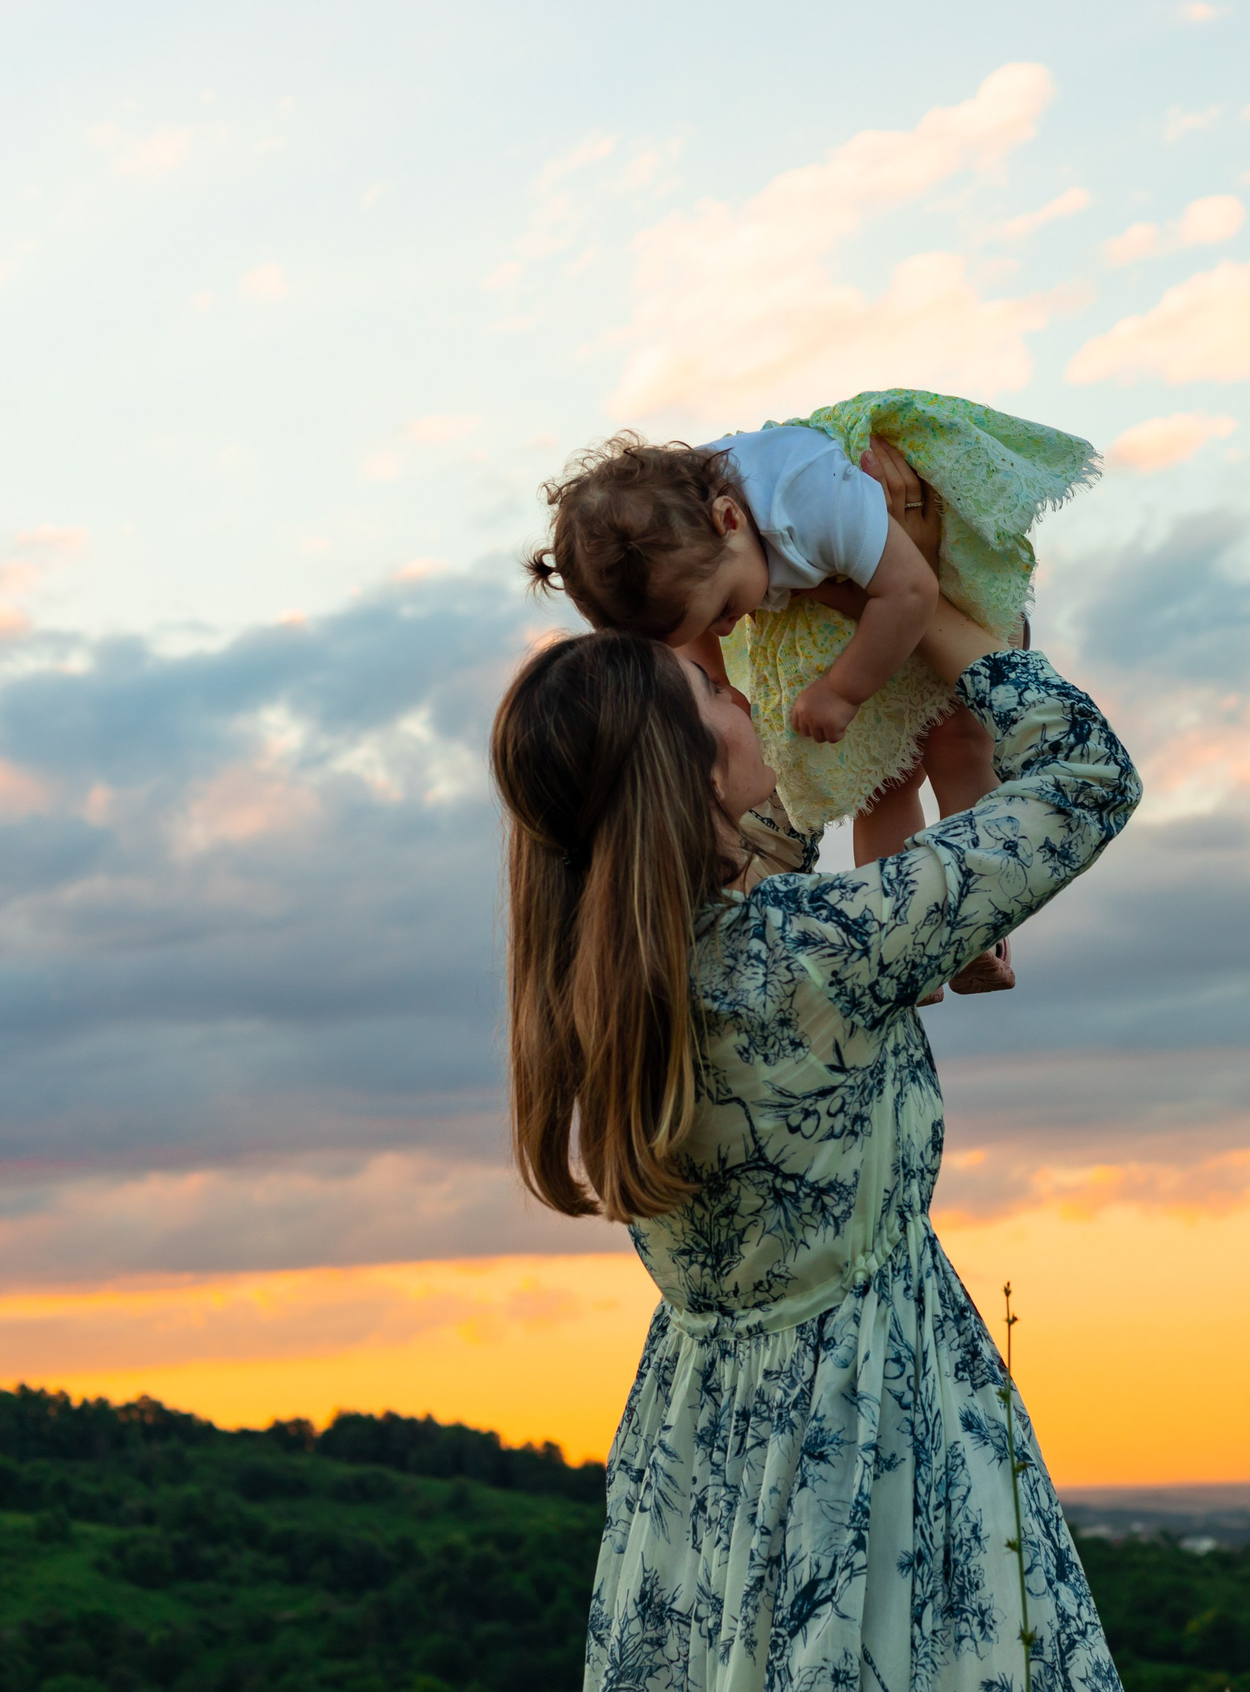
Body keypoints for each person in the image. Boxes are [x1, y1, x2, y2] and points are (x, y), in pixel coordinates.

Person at [490, 586, 1139, 1690]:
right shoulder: (808, 955)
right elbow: (1086, 782)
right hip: (868, 1411)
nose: (740, 694)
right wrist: (940, 621)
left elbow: (780, 824)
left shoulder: (592, 985)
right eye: (711, 691)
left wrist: (845, 660)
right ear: (689, 774)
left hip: (700, 1441)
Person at [528, 390, 1101, 993]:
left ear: (729, 520)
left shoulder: (805, 495)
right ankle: (906, 949)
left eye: (724, 609)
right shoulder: (680, 532)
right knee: (882, 780)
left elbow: (912, 593)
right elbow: (692, 625)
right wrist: (719, 685)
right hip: (849, 613)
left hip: (913, 587)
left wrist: (842, 691)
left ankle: (974, 928)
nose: (725, 628)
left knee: (960, 742)